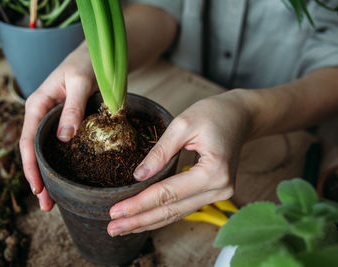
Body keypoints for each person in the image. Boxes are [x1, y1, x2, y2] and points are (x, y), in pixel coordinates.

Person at [19, 0, 338, 237]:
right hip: (179, 91)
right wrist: (89, 58)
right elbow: (162, 7)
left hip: (291, 127)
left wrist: (249, 112)